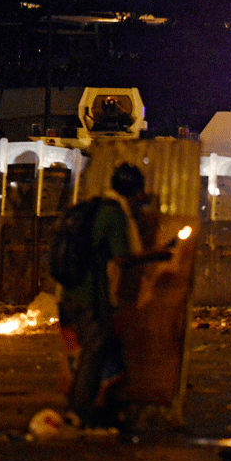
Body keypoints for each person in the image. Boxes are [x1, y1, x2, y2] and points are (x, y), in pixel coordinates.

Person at [57, 163, 167, 429]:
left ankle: (89, 407)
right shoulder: (114, 214)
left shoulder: (91, 208)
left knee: (91, 353)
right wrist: (160, 255)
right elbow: (122, 257)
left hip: (67, 293)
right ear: (135, 191)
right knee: (96, 355)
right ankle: (81, 413)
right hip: (93, 296)